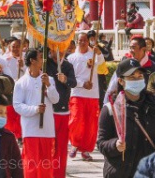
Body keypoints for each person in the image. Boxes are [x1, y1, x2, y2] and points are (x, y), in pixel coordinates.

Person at [97, 59, 155, 178]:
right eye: (132, 77)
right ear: (121, 81)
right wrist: (115, 145)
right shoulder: (111, 109)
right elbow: (102, 143)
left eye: (140, 76)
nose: (137, 80)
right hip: (120, 173)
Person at [13, 49, 59, 178]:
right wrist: (35, 109)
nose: (43, 60)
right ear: (32, 61)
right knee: (31, 164)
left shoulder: (49, 79)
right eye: (40, 57)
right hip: (30, 130)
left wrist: (49, 85)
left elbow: (55, 99)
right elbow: (17, 105)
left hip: (47, 130)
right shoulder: (21, 82)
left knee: (46, 164)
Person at [67, 32, 102, 161]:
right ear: (77, 41)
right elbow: (70, 79)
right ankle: (74, 144)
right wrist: (82, 84)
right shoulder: (71, 58)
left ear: (88, 41)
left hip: (92, 95)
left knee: (91, 124)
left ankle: (86, 150)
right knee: (75, 120)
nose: (82, 42)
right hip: (77, 93)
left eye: (85, 40)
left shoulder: (93, 54)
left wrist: (98, 52)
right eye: (80, 40)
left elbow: (101, 61)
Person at [46, 47, 77, 178]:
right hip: (48, 111)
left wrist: (65, 80)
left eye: (61, 48)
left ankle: (58, 174)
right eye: (55, 48)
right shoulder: (45, 63)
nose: (58, 51)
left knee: (61, 147)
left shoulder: (67, 66)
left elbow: (73, 83)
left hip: (63, 111)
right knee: (48, 146)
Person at [104, 36, 155, 105]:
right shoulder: (123, 65)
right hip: (125, 105)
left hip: (148, 106)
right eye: (130, 48)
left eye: (133, 48)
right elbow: (112, 88)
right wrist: (106, 105)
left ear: (143, 49)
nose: (130, 51)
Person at [2, 37, 25, 140]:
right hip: (9, 90)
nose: (15, 49)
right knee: (10, 112)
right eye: (13, 46)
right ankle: (10, 134)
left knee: (20, 113)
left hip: (22, 89)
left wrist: (23, 66)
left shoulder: (26, 58)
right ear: (9, 47)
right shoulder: (4, 59)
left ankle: (20, 135)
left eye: (17, 46)